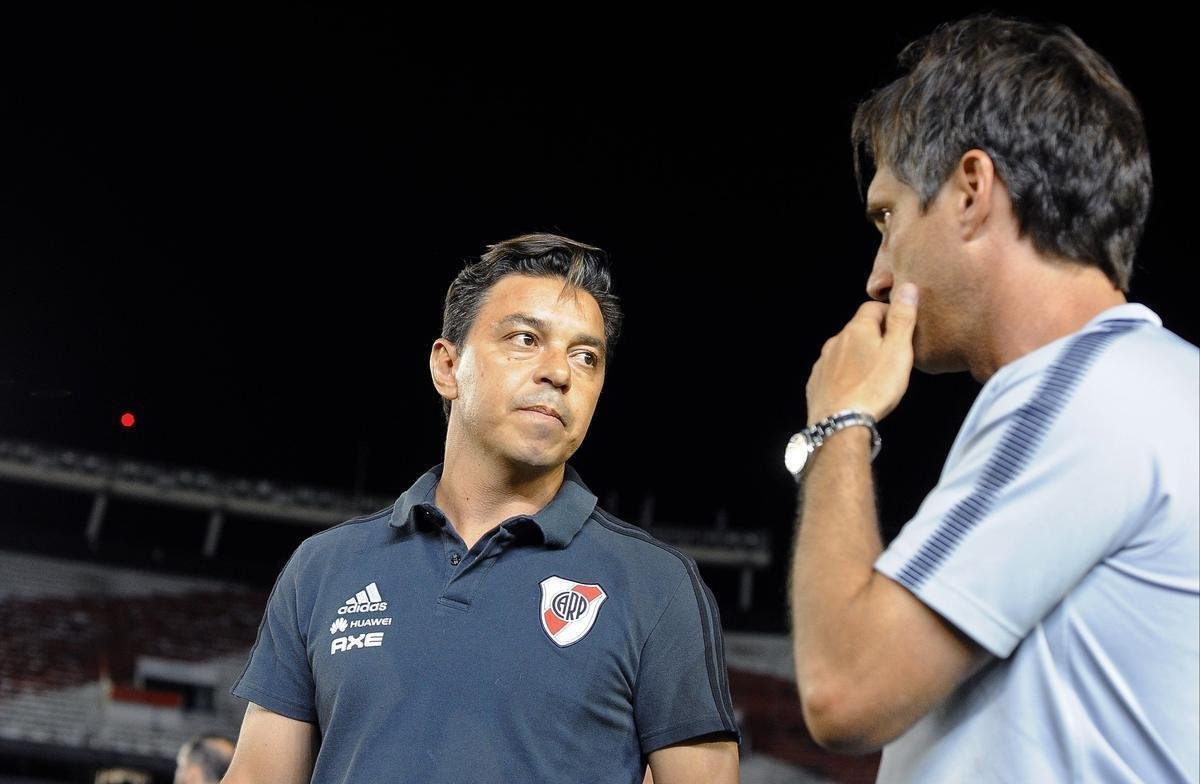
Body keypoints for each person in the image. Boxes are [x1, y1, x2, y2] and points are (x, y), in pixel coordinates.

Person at [787, 16, 1198, 782]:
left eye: (889, 217)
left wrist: (837, 422)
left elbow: (844, 689)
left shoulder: (1078, 392)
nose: (878, 274)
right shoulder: (1165, 384)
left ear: (973, 191)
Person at [223, 233, 740, 784]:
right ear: (447, 367)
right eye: (525, 338)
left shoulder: (658, 586)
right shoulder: (323, 567)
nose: (559, 373)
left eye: (586, 356)